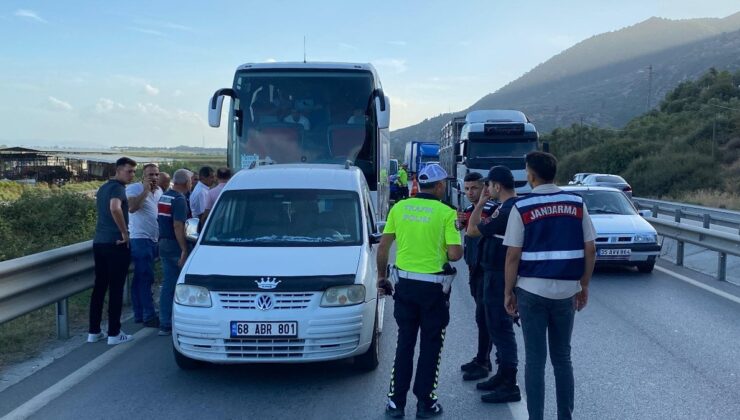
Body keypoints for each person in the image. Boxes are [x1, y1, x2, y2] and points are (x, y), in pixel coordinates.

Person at [503, 151, 597, 420]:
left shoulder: (522, 206)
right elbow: (590, 249)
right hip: (567, 291)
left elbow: (512, 255)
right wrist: (584, 285)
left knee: (535, 360)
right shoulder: (576, 203)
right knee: (562, 358)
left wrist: (508, 291)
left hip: (531, 291)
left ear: (531, 175)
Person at [377, 163, 463, 419]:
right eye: (443, 184)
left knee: (404, 343)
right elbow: (455, 254)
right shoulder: (447, 213)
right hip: (433, 291)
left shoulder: (399, 207)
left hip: (405, 287)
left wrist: (382, 278)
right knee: (430, 346)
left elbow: (383, 247)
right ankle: (426, 403)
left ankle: (395, 403)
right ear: (438, 186)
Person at [467, 166, 521, 403]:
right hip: (496, 273)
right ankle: (502, 374)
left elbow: (472, 230)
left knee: (501, 328)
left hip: (498, 276)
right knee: (497, 326)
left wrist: (479, 204)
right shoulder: (510, 207)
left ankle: (509, 383)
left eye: (488, 186)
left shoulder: (507, 210)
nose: (486, 190)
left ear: (497, 186)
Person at [88, 157, 137, 346]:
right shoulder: (118, 188)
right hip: (115, 243)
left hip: (99, 243)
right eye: (128, 171)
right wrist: (125, 233)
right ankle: (114, 333)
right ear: (118, 170)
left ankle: (94, 331)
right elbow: (115, 208)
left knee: (99, 287)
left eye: (133, 171)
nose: (132, 174)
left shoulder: (103, 188)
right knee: (116, 288)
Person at [456, 172, 496, 382]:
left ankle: (485, 361)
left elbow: (480, 231)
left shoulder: (489, 210)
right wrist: (458, 223)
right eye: (467, 189)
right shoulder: (471, 210)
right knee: (481, 317)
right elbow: (461, 231)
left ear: (485, 189)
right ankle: (481, 357)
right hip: (474, 269)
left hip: (486, 271)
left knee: (484, 318)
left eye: (475, 188)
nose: (470, 193)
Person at [126, 163, 163, 328]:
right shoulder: (134, 189)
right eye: (150, 175)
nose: (154, 178)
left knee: (141, 278)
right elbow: (132, 208)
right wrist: (146, 190)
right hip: (140, 239)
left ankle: (139, 314)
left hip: (154, 239)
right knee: (145, 277)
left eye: (156, 174)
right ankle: (148, 315)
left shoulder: (160, 191)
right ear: (143, 176)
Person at [157, 169, 192, 336]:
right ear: (186, 182)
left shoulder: (165, 196)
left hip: (163, 243)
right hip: (174, 245)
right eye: (191, 180)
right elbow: (178, 225)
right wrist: (184, 249)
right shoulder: (179, 200)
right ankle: (180, 322)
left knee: (168, 284)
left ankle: (164, 322)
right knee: (181, 286)